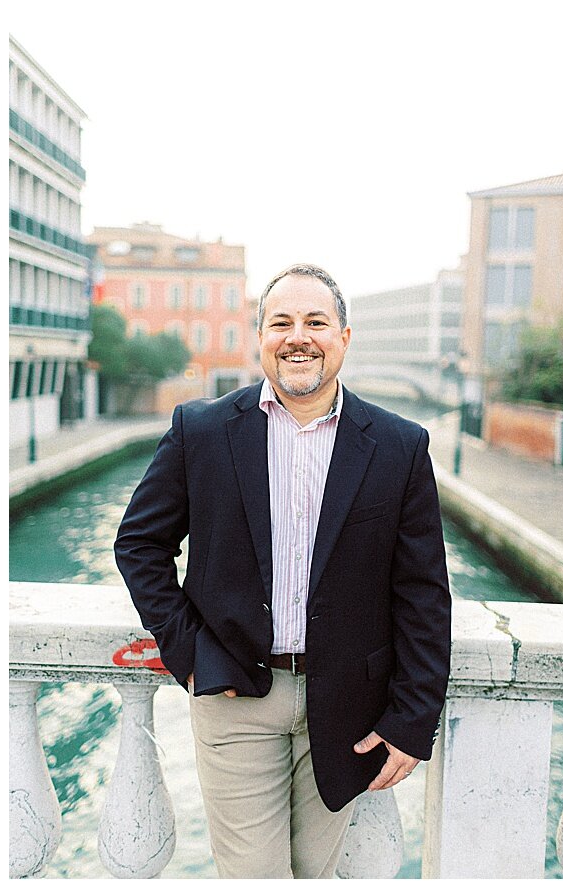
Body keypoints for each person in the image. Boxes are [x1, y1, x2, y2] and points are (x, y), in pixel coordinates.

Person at [114, 263, 451, 878]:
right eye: (281, 323)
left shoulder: (401, 446)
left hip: (352, 706)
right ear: (261, 337)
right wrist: (191, 656)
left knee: (313, 875)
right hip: (236, 694)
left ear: (344, 337)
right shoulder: (203, 430)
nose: (298, 337)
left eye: (316, 322)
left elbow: (423, 593)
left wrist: (413, 718)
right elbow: (139, 544)